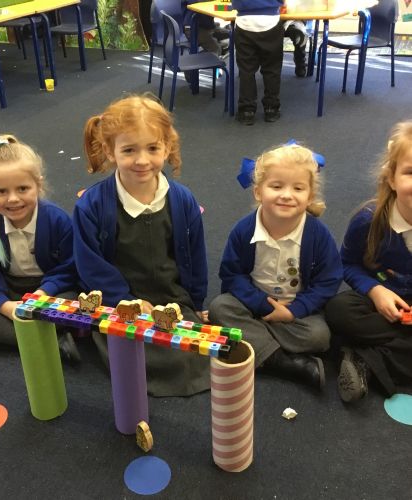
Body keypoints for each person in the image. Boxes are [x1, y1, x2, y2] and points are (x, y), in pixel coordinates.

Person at [73, 94, 209, 397]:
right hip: (120, 302)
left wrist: (197, 303)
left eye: (152, 148)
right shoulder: (92, 206)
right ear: (109, 151)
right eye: (129, 150)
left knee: (190, 350)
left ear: (167, 147)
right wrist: (126, 300)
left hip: (171, 297)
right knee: (129, 349)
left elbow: (196, 255)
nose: (142, 160)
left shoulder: (182, 200)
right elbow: (90, 265)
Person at [209, 143, 342, 390]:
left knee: (320, 336)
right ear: (258, 192)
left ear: (310, 196)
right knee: (219, 308)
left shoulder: (317, 235)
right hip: (253, 305)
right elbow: (231, 274)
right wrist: (262, 304)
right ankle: (285, 362)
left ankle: (257, 345)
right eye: (277, 186)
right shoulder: (244, 230)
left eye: (298, 188)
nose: (287, 195)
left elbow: (329, 280)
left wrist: (294, 311)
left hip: (297, 310)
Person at [0, 134, 80, 363]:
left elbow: (70, 267)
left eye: (22, 188)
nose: (13, 199)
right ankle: (49, 341)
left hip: (48, 290)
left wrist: (45, 291)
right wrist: (4, 306)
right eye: (1, 191)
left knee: (78, 301)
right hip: (8, 288)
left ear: (38, 185)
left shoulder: (58, 221)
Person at [326, 121, 412, 403]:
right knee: (338, 309)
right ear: (392, 178)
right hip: (378, 304)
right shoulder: (369, 220)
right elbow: (346, 265)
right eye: (411, 172)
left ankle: (365, 358)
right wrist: (375, 291)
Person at [232, 0, 284, 125]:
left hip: (244, 21)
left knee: (246, 70)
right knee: (272, 68)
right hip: (271, 20)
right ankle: (271, 109)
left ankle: (246, 111)